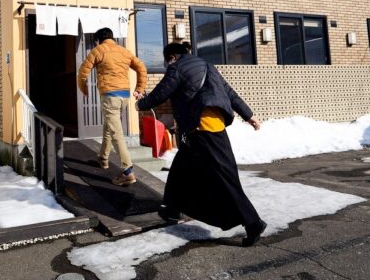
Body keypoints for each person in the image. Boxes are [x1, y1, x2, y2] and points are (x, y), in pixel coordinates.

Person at [136, 42, 267, 246]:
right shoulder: (207, 65)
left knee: (225, 177)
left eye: (167, 60)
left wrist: (141, 103)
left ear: (172, 57)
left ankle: (253, 222)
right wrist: (248, 115)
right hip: (203, 130)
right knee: (181, 167)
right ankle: (171, 207)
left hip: (203, 130)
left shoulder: (177, 67)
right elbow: (230, 93)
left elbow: (162, 92)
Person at [78, 27, 147, 186]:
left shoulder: (98, 50)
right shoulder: (124, 51)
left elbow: (83, 72)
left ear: (98, 39)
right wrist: (139, 89)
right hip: (124, 96)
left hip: (110, 95)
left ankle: (127, 171)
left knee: (116, 132)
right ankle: (103, 158)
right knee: (109, 126)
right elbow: (141, 67)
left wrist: (84, 89)